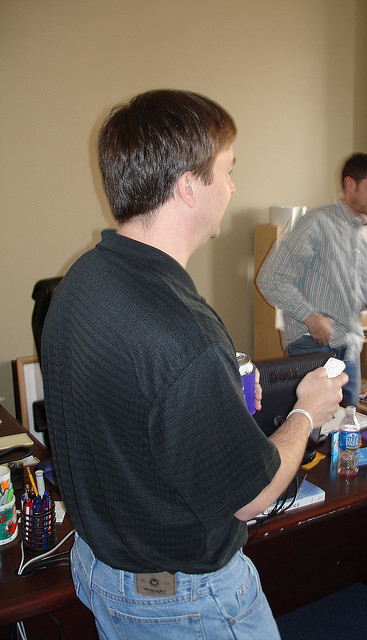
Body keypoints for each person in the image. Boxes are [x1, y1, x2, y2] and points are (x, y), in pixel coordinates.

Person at [42, 89, 347, 640]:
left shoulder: (81, 281)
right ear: (188, 187)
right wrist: (307, 411)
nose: (233, 187)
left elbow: (130, 417)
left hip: (103, 569)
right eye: (228, 171)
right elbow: (253, 498)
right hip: (180, 601)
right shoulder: (184, 334)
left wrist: (214, 399)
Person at [256, 152, 367, 406]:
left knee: (348, 421)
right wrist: (311, 318)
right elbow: (271, 278)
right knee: (312, 423)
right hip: (312, 345)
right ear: (350, 184)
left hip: (350, 349)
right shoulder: (315, 223)